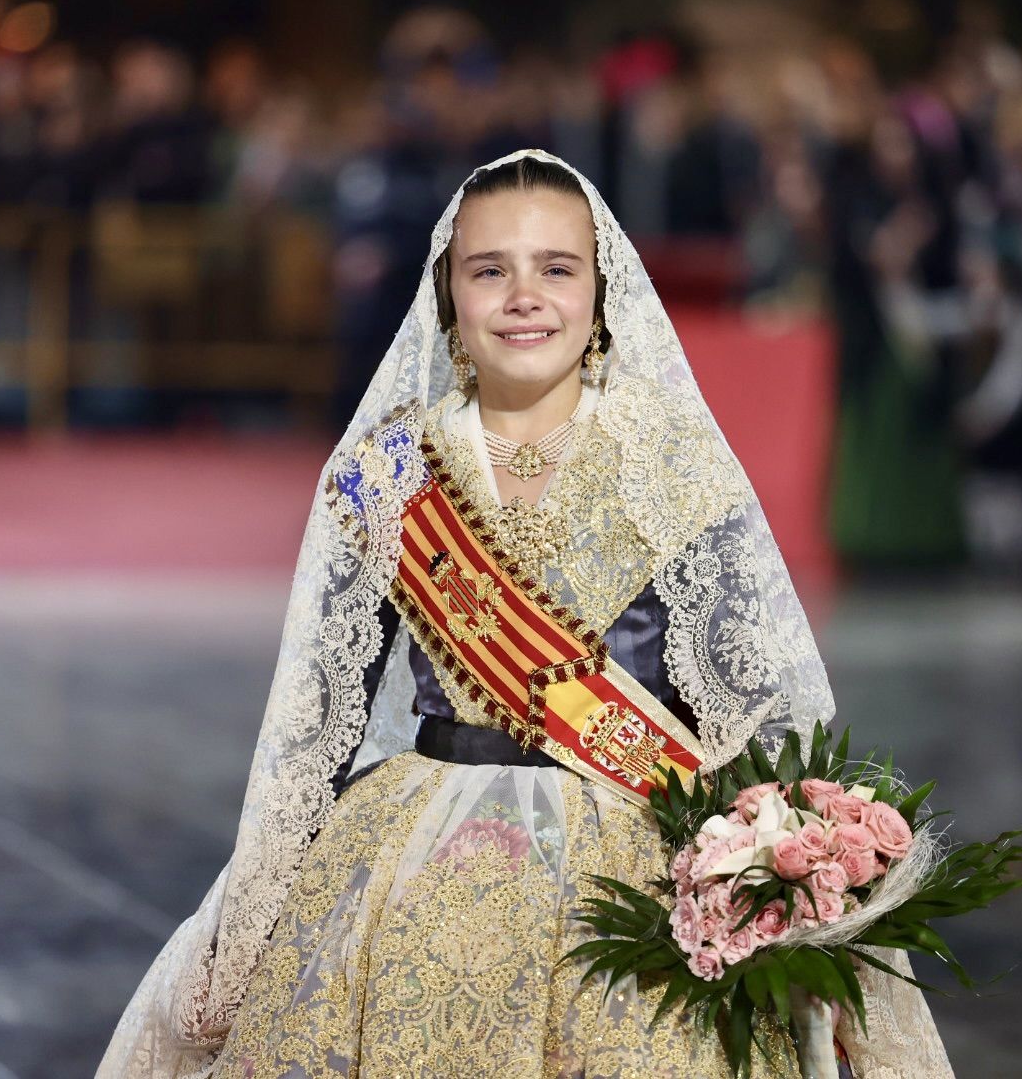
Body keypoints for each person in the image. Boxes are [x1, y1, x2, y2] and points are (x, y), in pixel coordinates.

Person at [97, 149, 954, 1078]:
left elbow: (749, 709)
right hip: (410, 866)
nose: (523, 296)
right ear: (448, 298)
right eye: (489, 270)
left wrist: (781, 873)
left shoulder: (670, 466)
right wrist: (253, 921)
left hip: (629, 869)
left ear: (600, 291)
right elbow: (316, 724)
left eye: (556, 268)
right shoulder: (387, 474)